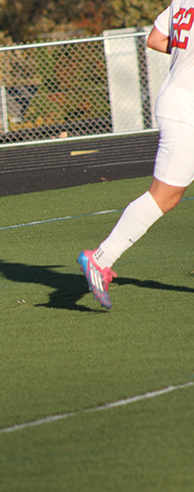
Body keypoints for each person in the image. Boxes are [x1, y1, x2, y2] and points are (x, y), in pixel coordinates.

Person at [78, 4, 192, 309]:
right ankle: (99, 260)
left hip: (179, 102)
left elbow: (155, 39)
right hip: (187, 112)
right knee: (164, 196)